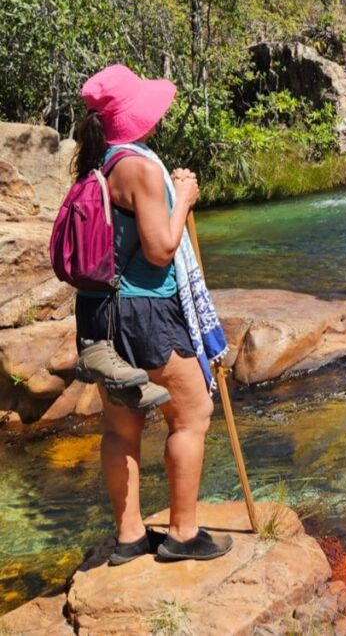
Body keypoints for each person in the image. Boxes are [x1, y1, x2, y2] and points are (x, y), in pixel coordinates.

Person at [72, 64, 232, 565]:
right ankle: (183, 533)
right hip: (145, 313)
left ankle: (130, 535)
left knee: (122, 427)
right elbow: (162, 248)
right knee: (191, 416)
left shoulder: (96, 163)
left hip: (98, 312)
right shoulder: (138, 168)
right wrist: (183, 196)